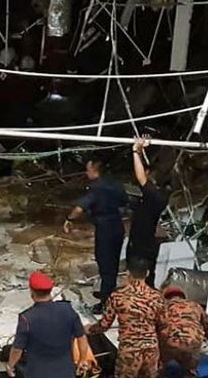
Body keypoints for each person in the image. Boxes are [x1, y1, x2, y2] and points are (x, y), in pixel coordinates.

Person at [63, 159, 128, 313]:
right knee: (111, 263)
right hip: (117, 226)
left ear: (94, 170)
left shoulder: (96, 188)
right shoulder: (115, 183)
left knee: (106, 265)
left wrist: (69, 219)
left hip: (105, 229)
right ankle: (107, 292)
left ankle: (106, 303)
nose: (86, 173)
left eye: (88, 170)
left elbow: (80, 208)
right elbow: (125, 201)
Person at [86, 258, 164, 378]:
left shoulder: (118, 296)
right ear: (147, 273)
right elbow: (162, 324)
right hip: (151, 349)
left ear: (128, 273)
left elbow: (104, 325)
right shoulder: (157, 297)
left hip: (130, 350)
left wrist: (89, 329)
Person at [7, 272, 90, 378]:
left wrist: (10, 366)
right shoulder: (67, 309)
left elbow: (17, 350)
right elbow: (81, 337)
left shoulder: (26, 318)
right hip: (65, 371)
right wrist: (82, 359)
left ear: (32, 292)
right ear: (51, 291)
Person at [127, 136, 169, 287]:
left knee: (140, 275)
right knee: (144, 273)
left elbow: (140, 177)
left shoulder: (155, 196)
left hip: (142, 243)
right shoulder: (156, 195)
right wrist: (140, 150)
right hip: (143, 239)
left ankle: (140, 298)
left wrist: (135, 152)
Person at [160, 286, 208, 378]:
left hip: (169, 343)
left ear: (165, 297)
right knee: (189, 371)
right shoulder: (195, 306)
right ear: (183, 296)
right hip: (191, 343)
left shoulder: (162, 307)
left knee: (159, 370)